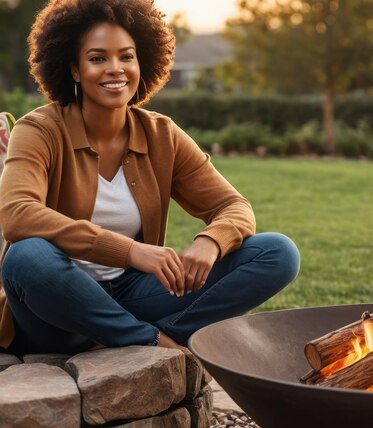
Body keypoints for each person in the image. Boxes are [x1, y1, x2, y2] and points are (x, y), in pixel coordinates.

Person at [0, 0, 300, 356]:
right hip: (56, 309)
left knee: (276, 252)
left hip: (134, 296)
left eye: (127, 57)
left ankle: (125, 333)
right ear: (75, 69)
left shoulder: (161, 134)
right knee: (26, 257)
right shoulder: (40, 129)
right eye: (98, 58)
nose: (116, 69)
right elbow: (17, 214)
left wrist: (211, 242)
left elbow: (233, 206)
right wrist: (131, 251)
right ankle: (152, 341)